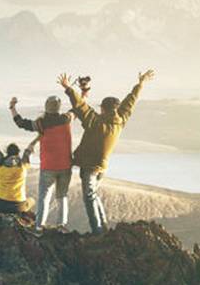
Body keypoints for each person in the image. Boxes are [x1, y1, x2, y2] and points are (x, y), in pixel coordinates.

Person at [58, 70, 155, 234]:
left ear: (103, 108)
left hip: (89, 166)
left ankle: (98, 231)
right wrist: (141, 83)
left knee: (89, 198)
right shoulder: (120, 120)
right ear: (115, 109)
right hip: (102, 167)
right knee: (93, 195)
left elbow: (80, 106)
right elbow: (131, 101)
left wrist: (68, 88)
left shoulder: (95, 122)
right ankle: (102, 226)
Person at [10, 95, 75, 232]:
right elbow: (77, 109)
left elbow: (21, 123)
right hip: (65, 165)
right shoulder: (66, 119)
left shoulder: (41, 123)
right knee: (62, 195)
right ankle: (61, 225)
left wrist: (13, 108)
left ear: (46, 107)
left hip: (48, 167)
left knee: (44, 197)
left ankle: (39, 226)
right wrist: (83, 92)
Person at [0, 122, 37, 214]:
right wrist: (39, 137)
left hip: (2, 204)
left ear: (7, 152)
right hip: (19, 206)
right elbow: (30, 148)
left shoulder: (0, 163)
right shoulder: (23, 164)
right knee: (32, 200)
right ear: (18, 153)